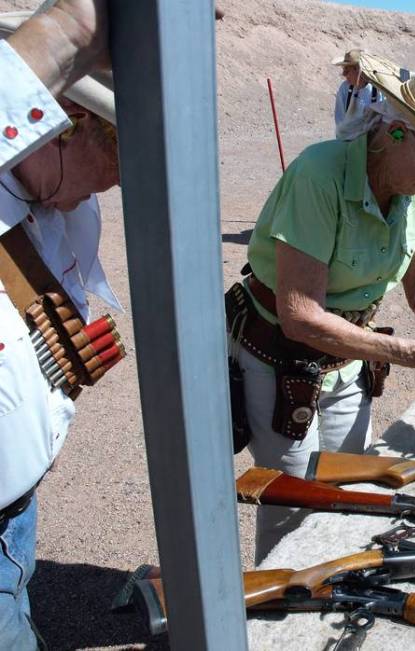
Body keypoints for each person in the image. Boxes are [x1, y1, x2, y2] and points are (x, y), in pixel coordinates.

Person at [232, 52, 415, 561]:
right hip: (278, 360)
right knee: (293, 511)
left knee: (345, 497)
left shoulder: (409, 189)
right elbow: (300, 315)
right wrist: (413, 354)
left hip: (347, 364)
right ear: (396, 131)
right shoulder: (321, 175)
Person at [0, 2, 119, 649]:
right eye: (110, 167)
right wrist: (77, 24)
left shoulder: (64, 207)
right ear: (65, 124)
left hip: (13, 512)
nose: (100, 193)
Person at [331, 48, 384, 139]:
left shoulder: (378, 92)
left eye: (347, 71)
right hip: (346, 139)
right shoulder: (345, 88)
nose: (344, 74)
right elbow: (340, 120)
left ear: (359, 70)